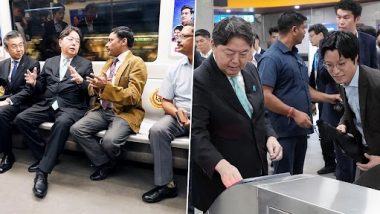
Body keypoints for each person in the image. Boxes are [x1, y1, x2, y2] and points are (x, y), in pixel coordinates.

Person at [191, 17, 283, 212]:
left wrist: (270, 136)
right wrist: (221, 165)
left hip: (255, 171)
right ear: (214, 45)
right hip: (221, 177)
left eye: (243, 53)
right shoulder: (200, 79)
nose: (236, 61)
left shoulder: (250, 69)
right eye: (229, 53)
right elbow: (197, 134)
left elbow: (259, 114)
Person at [258, 11, 341, 175]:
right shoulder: (272, 58)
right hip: (283, 132)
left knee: (296, 177)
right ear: (294, 29)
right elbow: (265, 96)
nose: (306, 33)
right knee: (283, 178)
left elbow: (304, 89)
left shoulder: (295, 56)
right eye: (304, 28)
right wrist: (293, 113)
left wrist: (330, 98)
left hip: (299, 129)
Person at [14, 26, 93, 198]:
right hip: (48, 103)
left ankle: (42, 172)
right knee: (22, 118)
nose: (74, 43)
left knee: (62, 123)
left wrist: (81, 82)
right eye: (70, 39)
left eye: (78, 41)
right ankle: (45, 156)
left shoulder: (85, 64)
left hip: (71, 107)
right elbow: (42, 87)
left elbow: (91, 90)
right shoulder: (50, 62)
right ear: (60, 42)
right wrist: (35, 83)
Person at [70, 26, 147, 181]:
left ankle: (108, 159)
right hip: (103, 109)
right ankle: (105, 163)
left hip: (125, 112)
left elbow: (133, 96)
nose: (106, 45)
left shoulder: (136, 63)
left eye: (111, 40)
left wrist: (105, 87)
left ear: (124, 41)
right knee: (77, 129)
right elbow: (95, 89)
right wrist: (91, 85)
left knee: (109, 142)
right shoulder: (109, 63)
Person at [142, 25, 193, 203]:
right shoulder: (175, 68)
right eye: (177, 36)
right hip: (179, 115)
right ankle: (166, 185)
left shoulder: (212, 66)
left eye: (184, 36)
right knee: (157, 130)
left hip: (205, 116)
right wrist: (177, 112)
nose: (178, 39)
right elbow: (165, 102)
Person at [320, 31, 380, 175]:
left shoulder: (376, 84)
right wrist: (344, 123)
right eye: (329, 65)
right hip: (366, 156)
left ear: (356, 58)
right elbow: (352, 109)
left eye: (341, 64)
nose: (335, 71)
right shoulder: (344, 82)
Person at [0, 30, 40, 173]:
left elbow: (28, 91)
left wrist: (9, 101)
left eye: (21, 45)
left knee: (1, 113)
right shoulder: (3, 64)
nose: (19, 49)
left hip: (24, 103)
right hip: (7, 101)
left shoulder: (31, 63)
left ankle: (7, 155)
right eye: (14, 46)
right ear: (6, 49)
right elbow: (2, 86)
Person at [308, 24, 338, 175]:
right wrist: (312, 101)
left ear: (321, 35)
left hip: (333, 97)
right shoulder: (316, 55)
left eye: (312, 35)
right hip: (321, 98)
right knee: (323, 130)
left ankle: (335, 162)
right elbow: (313, 78)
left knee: (332, 130)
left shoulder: (330, 52)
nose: (309, 39)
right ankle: (330, 162)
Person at [335, 0, 378, 69]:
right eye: (339, 17)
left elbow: (374, 70)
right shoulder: (329, 41)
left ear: (357, 19)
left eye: (346, 18)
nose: (341, 22)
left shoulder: (369, 41)